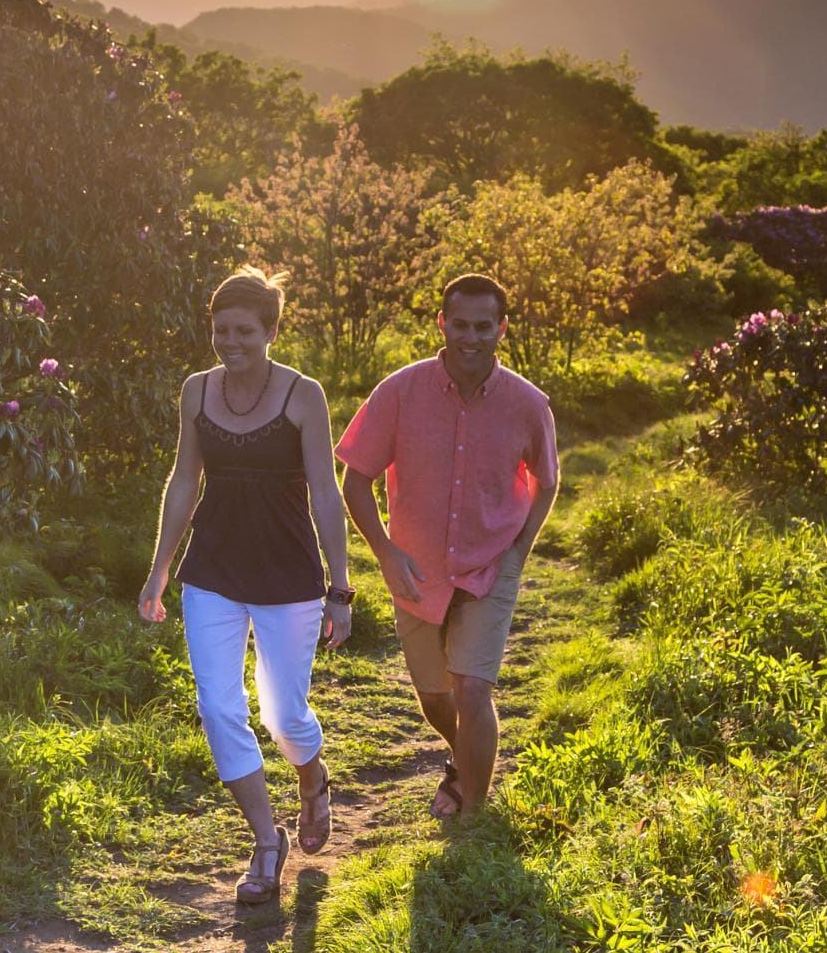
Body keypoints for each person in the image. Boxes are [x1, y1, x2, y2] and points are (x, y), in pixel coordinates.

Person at [139, 267, 353, 903]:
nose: (229, 342)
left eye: (243, 331)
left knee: (285, 718)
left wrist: (339, 589)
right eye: (220, 330)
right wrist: (159, 570)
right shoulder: (197, 391)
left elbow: (325, 489)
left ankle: (311, 783)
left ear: (271, 331)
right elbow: (184, 481)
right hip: (212, 573)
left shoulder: (303, 394)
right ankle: (266, 842)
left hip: (289, 574)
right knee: (219, 708)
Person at [336, 274, 558, 819]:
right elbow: (355, 480)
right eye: (460, 324)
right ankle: (462, 761)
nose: (471, 337)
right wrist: (386, 553)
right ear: (442, 323)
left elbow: (546, 481)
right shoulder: (399, 391)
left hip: (490, 564)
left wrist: (519, 551)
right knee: (437, 698)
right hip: (417, 569)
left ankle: (474, 815)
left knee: (473, 689)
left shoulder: (529, 404)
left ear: (501, 329)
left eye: (484, 326)